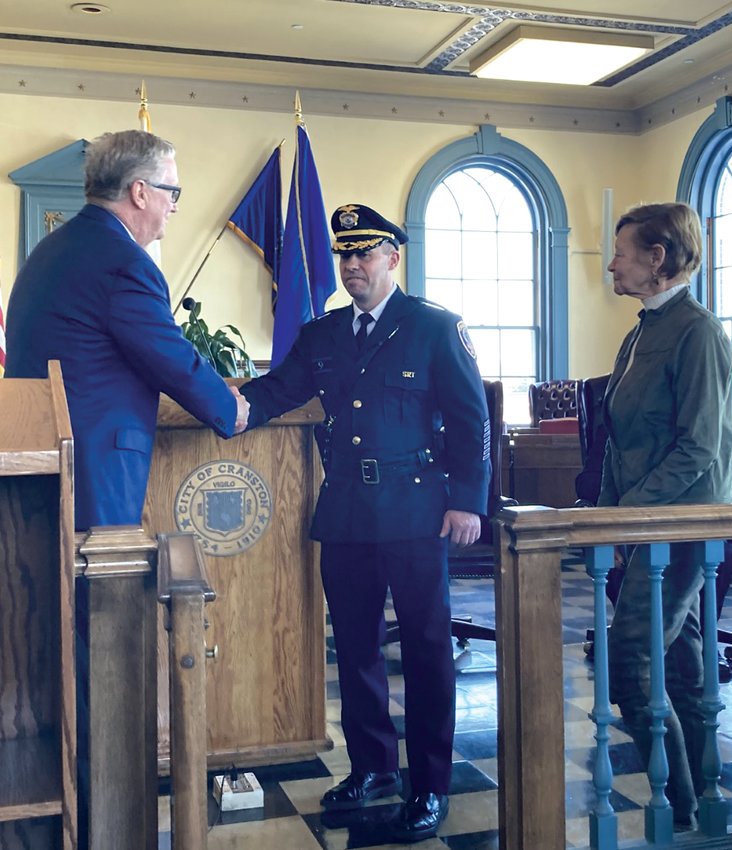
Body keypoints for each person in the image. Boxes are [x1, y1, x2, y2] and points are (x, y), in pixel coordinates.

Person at [239, 203, 490, 843]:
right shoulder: (322, 335)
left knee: (428, 650)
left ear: (392, 258)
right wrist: (213, 399)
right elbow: (274, 393)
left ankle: (430, 782)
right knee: (354, 651)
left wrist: (468, 500)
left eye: (365, 253)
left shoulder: (434, 327)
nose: (353, 265)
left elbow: (470, 421)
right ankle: (373, 767)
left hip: (416, 513)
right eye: (345, 254)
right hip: (347, 512)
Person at [4, 129, 249, 530]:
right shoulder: (124, 263)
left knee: (50, 587)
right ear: (139, 192)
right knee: (100, 588)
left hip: (42, 456)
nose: (174, 206)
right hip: (93, 467)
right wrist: (229, 407)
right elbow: (169, 356)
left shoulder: (51, 248)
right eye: (172, 192)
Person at [598, 202, 732, 830]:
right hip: (641, 526)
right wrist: (608, 520)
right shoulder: (639, 331)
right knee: (677, 660)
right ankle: (701, 799)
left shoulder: (697, 330)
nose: (612, 264)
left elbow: (700, 445)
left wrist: (630, 513)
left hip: (681, 527)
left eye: (622, 253)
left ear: (658, 259)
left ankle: (677, 802)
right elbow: (617, 439)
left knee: (628, 654)